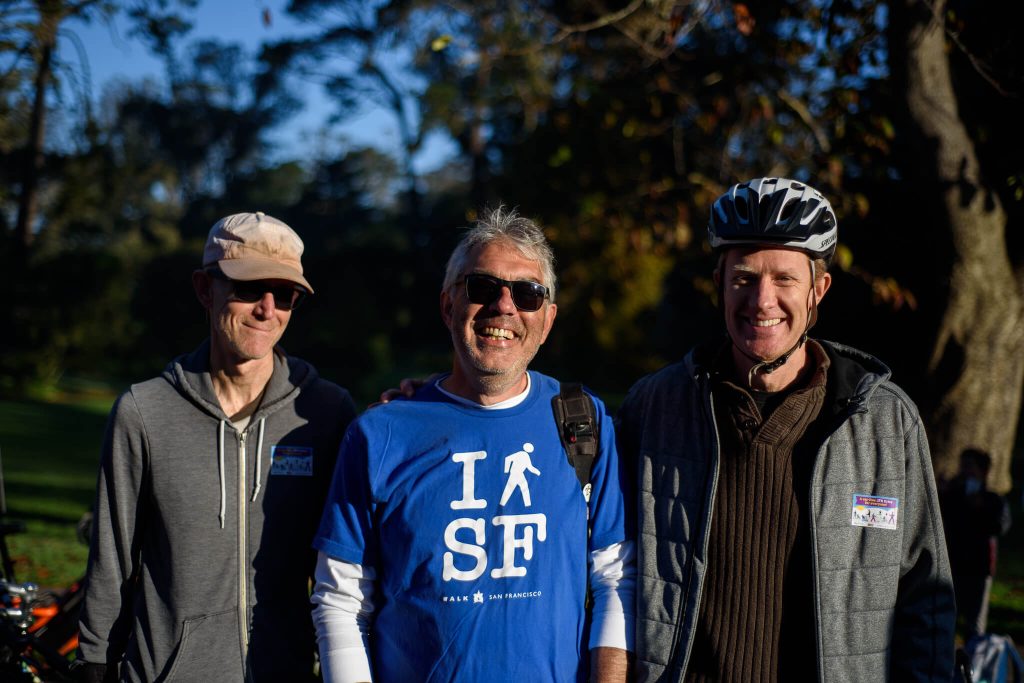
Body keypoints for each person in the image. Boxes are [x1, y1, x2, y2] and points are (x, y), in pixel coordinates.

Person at [615, 177, 956, 680]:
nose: (762, 300)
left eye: (784, 279)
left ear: (819, 290)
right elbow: (609, 574)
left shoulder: (885, 422)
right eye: (744, 278)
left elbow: (925, 599)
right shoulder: (656, 407)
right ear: (719, 282)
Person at [311, 207, 635, 682]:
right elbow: (341, 601)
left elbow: (615, 578)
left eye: (527, 293)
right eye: (482, 287)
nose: (504, 306)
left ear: (546, 320)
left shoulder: (585, 422)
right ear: (448, 306)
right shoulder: (379, 434)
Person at [76, 212, 357, 682]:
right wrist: (94, 662)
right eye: (249, 288)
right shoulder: (144, 411)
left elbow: (348, 561)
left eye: (284, 295)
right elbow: (112, 556)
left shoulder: (325, 412)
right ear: (205, 289)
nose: (267, 309)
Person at [939, 448, 1012, 640]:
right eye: (963, 466)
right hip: (953, 565)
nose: (965, 471)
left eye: (970, 466)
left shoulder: (993, 500)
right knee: (948, 617)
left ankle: (974, 656)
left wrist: (981, 508)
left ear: (983, 471)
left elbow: (1000, 526)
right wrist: (942, 491)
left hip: (979, 568)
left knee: (975, 623)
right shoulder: (954, 496)